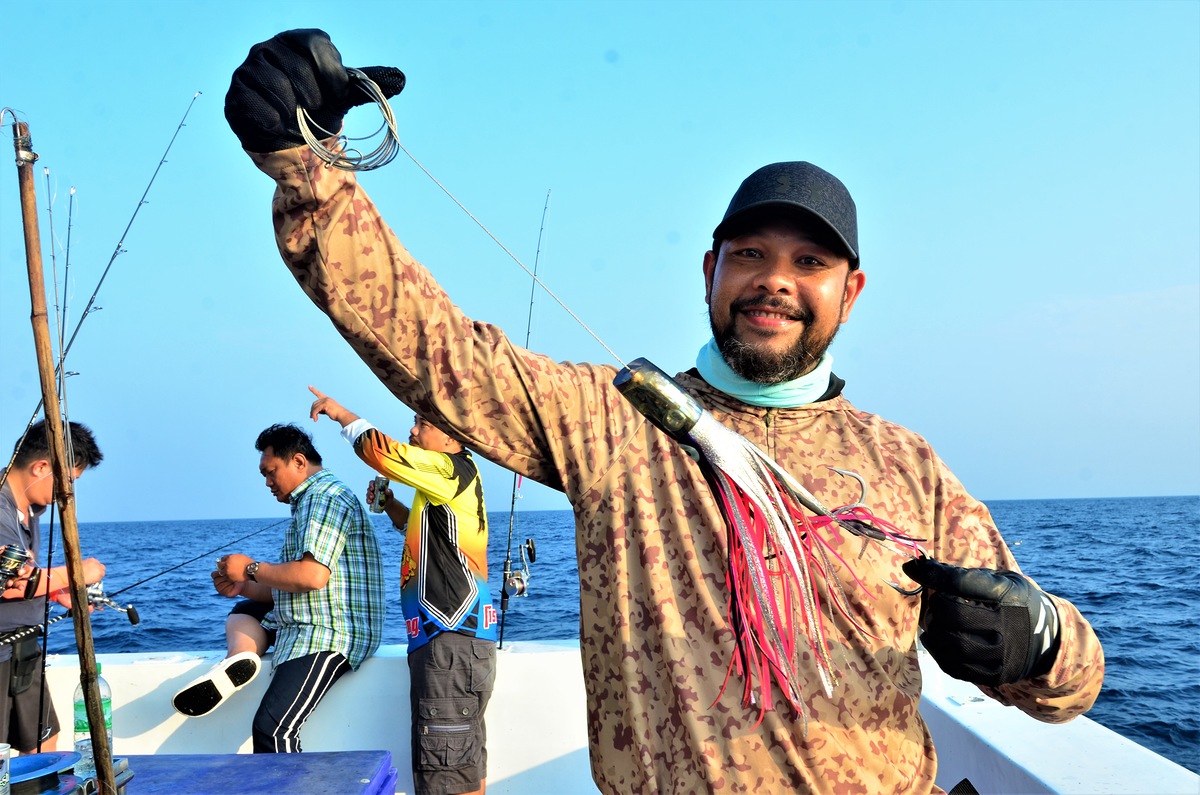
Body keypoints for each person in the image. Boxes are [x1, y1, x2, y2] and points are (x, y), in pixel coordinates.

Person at [224, 30, 1105, 794]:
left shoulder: (907, 469)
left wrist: (1044, 638)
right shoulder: (614, 423)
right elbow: (435, 348)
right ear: (711, 269)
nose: (776, 280)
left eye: (810, 262)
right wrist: (307, 169)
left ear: (852, 290)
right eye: (752, 252)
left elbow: (1066, 687)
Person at [309, 387, 497, 795]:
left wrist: (343, 415)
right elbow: (432, 538)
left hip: (449, 640)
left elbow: (386, 454)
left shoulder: (448, 469)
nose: (412, 432)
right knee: (462, 768)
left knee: (444, 775)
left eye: (422, 424)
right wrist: (393, 505)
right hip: (459, 643)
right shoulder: (450, 481)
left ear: (453, 437)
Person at [172, 423, 386, 754]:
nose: (268, 483)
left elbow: (313, 576)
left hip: (329, 632)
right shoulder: (309, 501)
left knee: (273, 730)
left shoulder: (323, 499)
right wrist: (243, 587)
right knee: (244, 610)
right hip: (303, 617)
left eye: (271, 472)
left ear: (299, 462)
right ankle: (239, 659)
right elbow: (286, 589)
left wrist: (250, 568)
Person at [0, 420, 106, 753]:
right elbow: (12, 584)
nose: (67, 492)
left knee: (44, 743)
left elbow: (27, 572)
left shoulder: (28, 506)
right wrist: (78, 573)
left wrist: (64, 596)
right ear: (41, 466)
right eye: (68, 480)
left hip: (23, 651)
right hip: (2, 651)